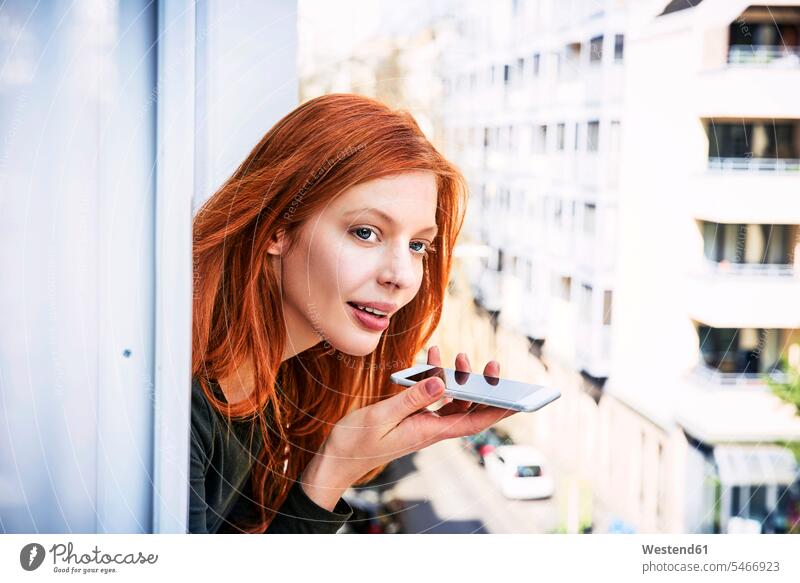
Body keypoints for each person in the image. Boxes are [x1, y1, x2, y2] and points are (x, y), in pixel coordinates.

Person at [189, 93, 515, 533]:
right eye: (366, 233)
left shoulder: (272, 390)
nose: (401, 276)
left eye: (418, 245)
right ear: (277, 229)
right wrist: (331, 473)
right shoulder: (183, 406)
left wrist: (340, 456)